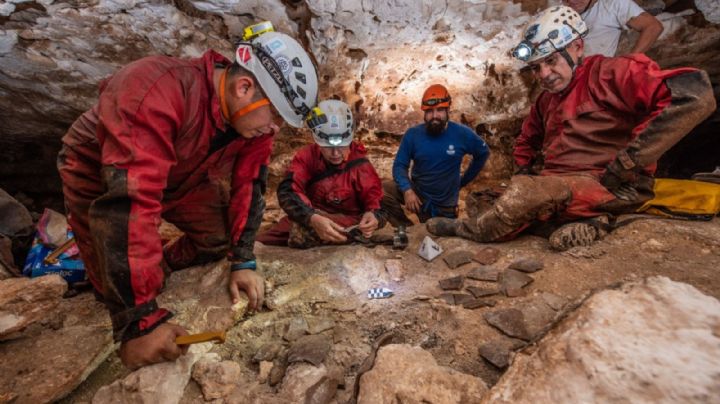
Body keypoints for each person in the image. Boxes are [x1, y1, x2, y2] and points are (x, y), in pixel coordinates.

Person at [57, 21, 318, 369]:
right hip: (102, 173)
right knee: (113, 282)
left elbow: (249, 185)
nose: (275, 129)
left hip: (184, 173)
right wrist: (140, 322)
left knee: (217, 240)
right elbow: (130, 202)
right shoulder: (155, 87)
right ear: (244, 87)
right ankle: (134, 291)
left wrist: (242, 259)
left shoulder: (253, 128)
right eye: (276, 117)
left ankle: (158, 266)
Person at [427, 5, 715, 250]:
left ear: (577, 47)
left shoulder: (613, 72)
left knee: (524, 197)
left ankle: (466, 230)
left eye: (550, 61)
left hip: (606, 184)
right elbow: (527, 139)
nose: (544, 74)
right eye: (536, 68)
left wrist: (629, 161)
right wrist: (524, 171)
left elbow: (694, 96)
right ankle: (582, 222)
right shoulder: (546, 100)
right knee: (484, 198)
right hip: (559, 185)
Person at [257, 100, 386, 248]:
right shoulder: (306, 157)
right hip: (311, 216)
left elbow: (376, 200)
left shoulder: (360, 164)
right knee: (261, 242)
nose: (335, 153)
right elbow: (288, 192)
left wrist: (374, 215)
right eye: (328, 147)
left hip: (347, 222)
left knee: (303, 235)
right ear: (317, 141)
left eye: (342, 146)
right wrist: (311, 217)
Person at [382, 84, 490, 226]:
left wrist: (462, 181)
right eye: (430, 111)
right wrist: (407, 190)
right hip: (417, 196)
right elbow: (399, 165)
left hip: (443, 207)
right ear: (424, 113)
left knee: (434, 239)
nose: (434, 116)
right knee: (380, 190)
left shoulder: (461, 133)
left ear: (447, 110)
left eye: (439, 110)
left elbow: (483, 153)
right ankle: (405, 228)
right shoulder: (413, 135)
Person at [564, 0, 663, 57]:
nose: (571, 1)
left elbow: (653, 26)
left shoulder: (613, 4)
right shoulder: (558, 6)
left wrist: (629, 62)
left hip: (590, 74)